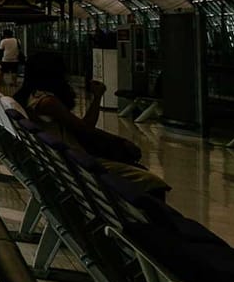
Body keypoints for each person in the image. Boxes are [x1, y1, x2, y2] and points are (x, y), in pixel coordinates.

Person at [14, 52, 168, 197]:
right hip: (78, 165)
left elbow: (82, 128)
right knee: (153, 182)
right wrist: (98, 97)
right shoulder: (47, 102)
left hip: (62, 163)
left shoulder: (30, 98)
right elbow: (85, 129)